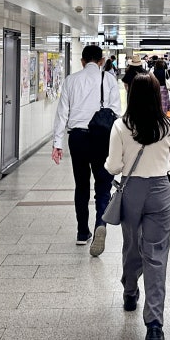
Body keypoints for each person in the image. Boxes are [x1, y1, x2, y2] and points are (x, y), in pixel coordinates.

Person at [105, 74, 170, 340]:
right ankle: (154, 326)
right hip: (160, 191)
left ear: (131, 94)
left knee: (131, 246)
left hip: (132, 192)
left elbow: (113, 166)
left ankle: (129, 292)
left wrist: (120, 165)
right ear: (156, 95)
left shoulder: (120, 126)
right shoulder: (168, 125)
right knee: (156, 255)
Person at [52, 44, 121, 255]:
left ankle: (83, 232)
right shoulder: (108, 79)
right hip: (102, 137)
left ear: (82, 61)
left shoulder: (71, 80)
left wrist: (57, 143)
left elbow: (62, 113)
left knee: (81, 185)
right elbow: (116, 113)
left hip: (78, 137)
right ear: (101, 61)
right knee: (103, 184)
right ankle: (101, 222)